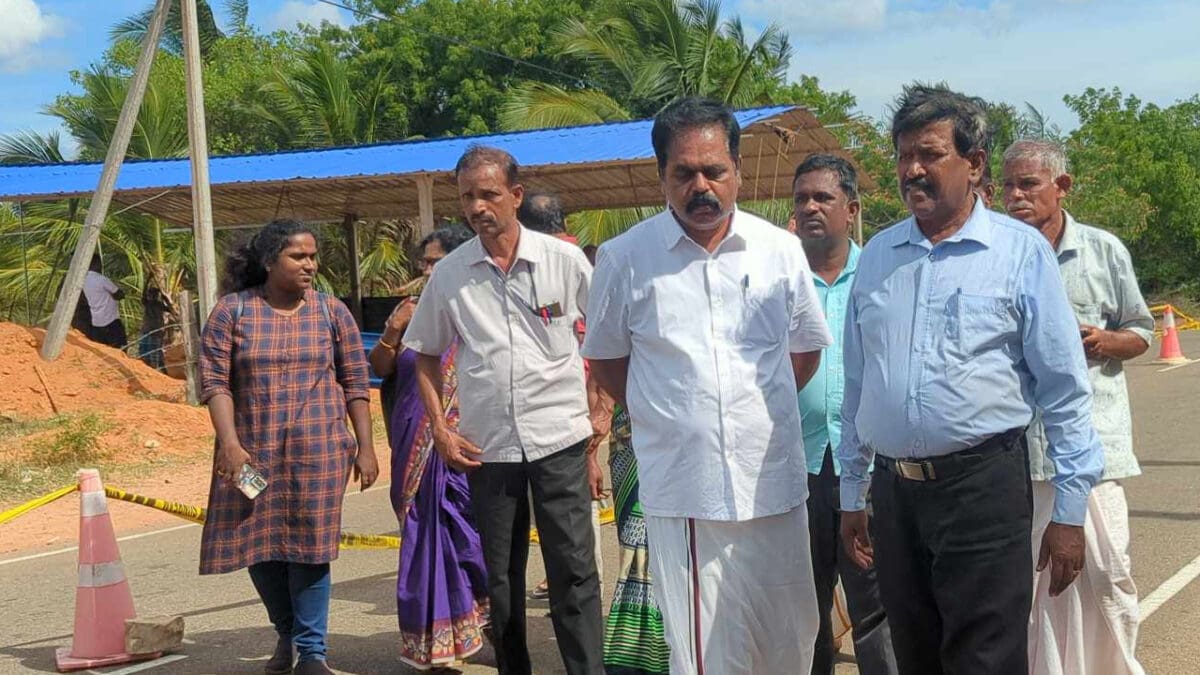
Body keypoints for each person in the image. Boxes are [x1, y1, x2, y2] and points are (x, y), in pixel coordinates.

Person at [837, 83, 1104, 675]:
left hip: (983, 492)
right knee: (915, 656)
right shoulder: (878, 256)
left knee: (986, 658)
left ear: (975, 163)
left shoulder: (1019, 253)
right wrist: (853, 493)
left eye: (930, 154)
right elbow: (858, 385)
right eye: (904, 155)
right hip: (895, 498)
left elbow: (1064, 389)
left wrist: (1069, 509)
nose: (912, 170)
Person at [583, 97, 832, 675]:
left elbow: (804, 353)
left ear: (737, 170)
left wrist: (752, 413)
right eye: (684, 173)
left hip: (773, 484)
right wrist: (676, 416)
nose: (701, 186)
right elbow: (608, 363)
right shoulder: (625, 258)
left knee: (788, 640)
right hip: (687, 492)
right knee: (707, 656)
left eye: (714, 171)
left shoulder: (779, 250)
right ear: (661, 175)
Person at [403, 145, 605, 675]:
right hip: (487, 448)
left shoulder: (563, 262)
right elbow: (424, 353)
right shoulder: (450, 274)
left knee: (573, 572)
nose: (477, 207)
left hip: (559, 440)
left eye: (489, 194)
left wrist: (601, 410)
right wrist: (441, 431)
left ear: (515, 195)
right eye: (468, 196)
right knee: (500, 578)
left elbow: (608, 334)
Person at [198, 219, 378, 675]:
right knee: (258, 546)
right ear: (268, 261)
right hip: (250, 453)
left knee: (310, 549)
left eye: (312, 256)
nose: (309, 265)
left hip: (319, 451)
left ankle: (312, 652)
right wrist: (230, 444)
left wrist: (367, 446)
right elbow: (215, 383)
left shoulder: (332, 312)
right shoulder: (232, 312)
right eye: (298, 256)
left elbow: (356, 382)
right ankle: (286, 631)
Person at [1002, 139, 1152, 675]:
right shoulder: (1000, 255)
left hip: (1095, 452)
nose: (1016, 196)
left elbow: (1141, 332)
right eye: (1008, 186)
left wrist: (1104, 341)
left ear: (1062, 186)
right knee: (1034, 587)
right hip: (1022, 456)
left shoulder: (1103, 250)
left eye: (1028, 184)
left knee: (1107, 575)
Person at [367, 223, 490, 670]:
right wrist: (392, 330)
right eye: (424, 263)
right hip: (415, 446)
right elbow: (380, 367)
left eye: (436, 262)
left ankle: (482, 628)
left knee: (471, 541)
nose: (426, 270)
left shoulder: (480, 307)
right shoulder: (411, 311)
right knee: (424, 539)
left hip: (469, 446)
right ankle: (438, 646)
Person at [793, 154, 897, 675]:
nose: (810, 207)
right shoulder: (780, 278)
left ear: (851, 209)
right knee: (803, 604)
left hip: (869, 465)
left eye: (823, 197)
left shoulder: (882, 273)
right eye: (802, 199)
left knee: (875, 601)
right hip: (798, 466)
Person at [517, 189, 609, 604]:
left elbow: (594, 342)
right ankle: (575, 583)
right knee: (570, 507)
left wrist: (596, 411)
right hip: (584, 403)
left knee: (572, 506)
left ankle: (581, 587)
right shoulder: (578, 262)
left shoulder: (560, 265)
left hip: (571, 408)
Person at [83, 254, 127, 349]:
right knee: (120, 348)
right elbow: (119, 294)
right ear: (96, 264)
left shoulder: (84, 280)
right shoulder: (101, 279)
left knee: (102, 349)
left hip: (96, 321)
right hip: (110, 320)